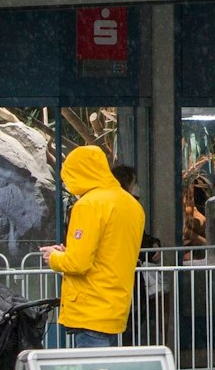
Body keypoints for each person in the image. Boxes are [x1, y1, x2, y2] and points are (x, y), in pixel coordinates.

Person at [45, 145, 146, 347]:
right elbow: (110, 252)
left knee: (91, 366)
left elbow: (77, 263)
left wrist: (54, 258)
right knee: (105, 365)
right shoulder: (132, 205)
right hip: (116, 307)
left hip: (90, 308)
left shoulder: (88, 205)